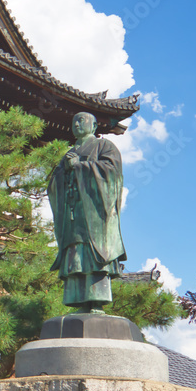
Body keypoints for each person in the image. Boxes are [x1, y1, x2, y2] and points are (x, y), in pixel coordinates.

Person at [48, 112, 126, 311]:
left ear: (93, 127)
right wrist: (64, 170)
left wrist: (81, 167)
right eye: (74, 121)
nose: (76, 123)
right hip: (74, 214)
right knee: (75, 254)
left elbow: (113, 173)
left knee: (93, 255)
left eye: (81, 120)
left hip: (95, 217)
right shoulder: (69, 152)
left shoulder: (104, 146)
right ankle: (79, 301)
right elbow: (53, 182)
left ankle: (96, 302)